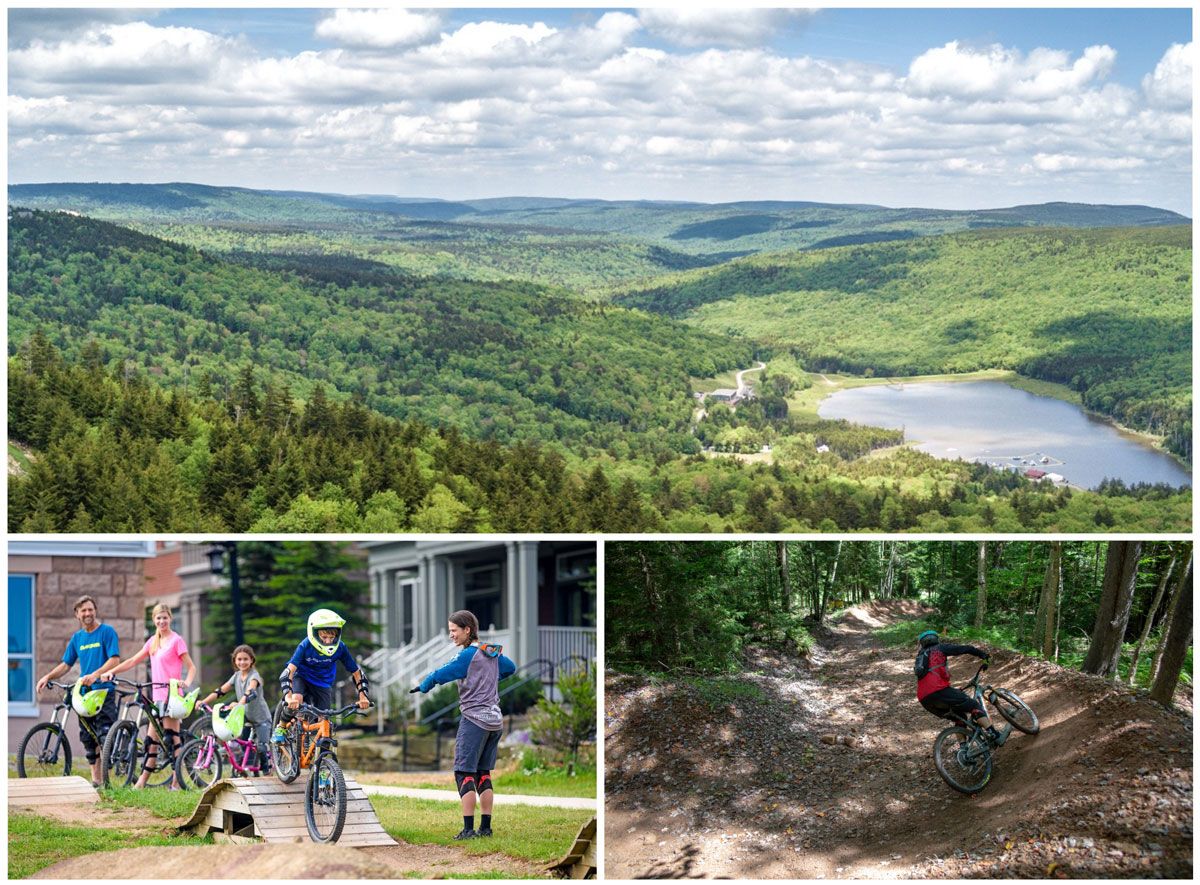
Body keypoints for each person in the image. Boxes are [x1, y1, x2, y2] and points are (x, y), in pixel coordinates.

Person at [411, 610, 516, 840]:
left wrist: (424, 685)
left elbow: (442, 673)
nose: (451, 635)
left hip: (474, 721)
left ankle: (468, 830)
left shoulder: (467, 656)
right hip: (495, 721)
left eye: (453, 631)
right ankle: (485, 828)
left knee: (464, 773)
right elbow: (510, 668)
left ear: (467, 630)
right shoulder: (490, 652)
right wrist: (490, 678)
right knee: (483, 773)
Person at [102, 603, 197, 789]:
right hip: (157, 697)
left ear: (170, 618)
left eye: (165, 617)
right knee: (150, 742)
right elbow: (132, 661)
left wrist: (186, 682)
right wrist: (112, 671)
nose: (162, 621)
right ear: (154, 620)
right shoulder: (152, 641)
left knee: (172, 739)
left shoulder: (176, 640)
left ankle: (176, 783)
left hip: (172, 696)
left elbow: (191, 667)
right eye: (158, 618)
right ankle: (142, 782)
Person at [35, 595, 120, 787]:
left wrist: (97, 674)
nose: (88, 613)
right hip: (84, 694)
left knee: (104, 734)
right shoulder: (77, 638)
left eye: (90, 609)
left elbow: (114, 660)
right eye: (83, 610)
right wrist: (48, 676)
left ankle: (108, 779)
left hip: (103, 691)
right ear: (77, 614)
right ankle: (96, 780)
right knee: (87, 737)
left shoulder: (107, 632)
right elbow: (66, 664)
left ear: (95, 610)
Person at [274, 609, 370, 744]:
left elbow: (356, 672)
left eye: (332, 638)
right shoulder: (305, 645)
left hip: (322, 683)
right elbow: (288, 672)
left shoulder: (340, 647)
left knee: (324, 721)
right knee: (297, 699)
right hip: (301, 677)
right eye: (324, 638)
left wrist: (363, 696)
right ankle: (281, 727)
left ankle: (324, 760)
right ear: (314, 633)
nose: (328, 642)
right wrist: (288, 697)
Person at [914, 629, 1006, 745]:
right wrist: (983, 655)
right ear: (936, 639)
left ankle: (963, 749)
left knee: (960, 717)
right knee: (973, 705)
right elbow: (966, 649)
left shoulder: (921, 656)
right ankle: (994, 734)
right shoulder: (939, 648)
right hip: (939, 691)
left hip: (924, 699)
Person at [199, 643, 273, 771]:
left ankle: (267, 773)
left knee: (262, 747)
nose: (242, 662)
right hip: (244, 716)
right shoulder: (237, 676)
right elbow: (221, 691)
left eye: (245, 659)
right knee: (230, 736)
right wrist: (204, 701)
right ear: (235, 661)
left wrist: (238, 704)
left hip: (261, 718)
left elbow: (250, 691)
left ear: (251, 660)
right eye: (239, 659)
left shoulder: (254, 676)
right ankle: (237, 763)